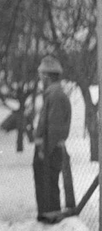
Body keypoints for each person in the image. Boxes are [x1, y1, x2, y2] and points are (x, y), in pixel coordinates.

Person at [32, 54, 73, 218]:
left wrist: (44, 151)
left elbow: (54, 129)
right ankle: (47, 218)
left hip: (49, 150)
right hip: (48, 148)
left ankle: (50, 220)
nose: (40, 78)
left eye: (42, 75)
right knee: (45, 187)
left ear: (47, 76)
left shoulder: (55, 96)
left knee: (48, 188)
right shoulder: (52, 94)